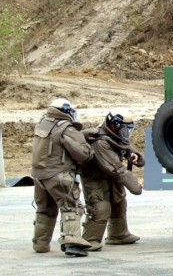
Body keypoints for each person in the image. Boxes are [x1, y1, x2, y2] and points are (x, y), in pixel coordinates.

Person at [31, 98, 94, 257]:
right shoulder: (66, 128)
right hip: (59, 175)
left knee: (45, 210)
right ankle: (72, 243)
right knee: (71, 207)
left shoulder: (43, 123)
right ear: (66, 111)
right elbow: (82, 153)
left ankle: (40, 244)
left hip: (40, 176)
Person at [80, 108, 144, 251]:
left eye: (128, 129)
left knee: (119, 202)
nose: (125, 133)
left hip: (110, 175)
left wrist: (135, 156)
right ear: (113, 125)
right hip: (94, 177)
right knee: (100, 207)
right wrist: (135, 187)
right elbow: (117, 168)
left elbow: (128, 147)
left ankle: (118, 234)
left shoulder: (116, 136)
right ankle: (90, 239)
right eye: (123, 129)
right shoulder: (100, 141)